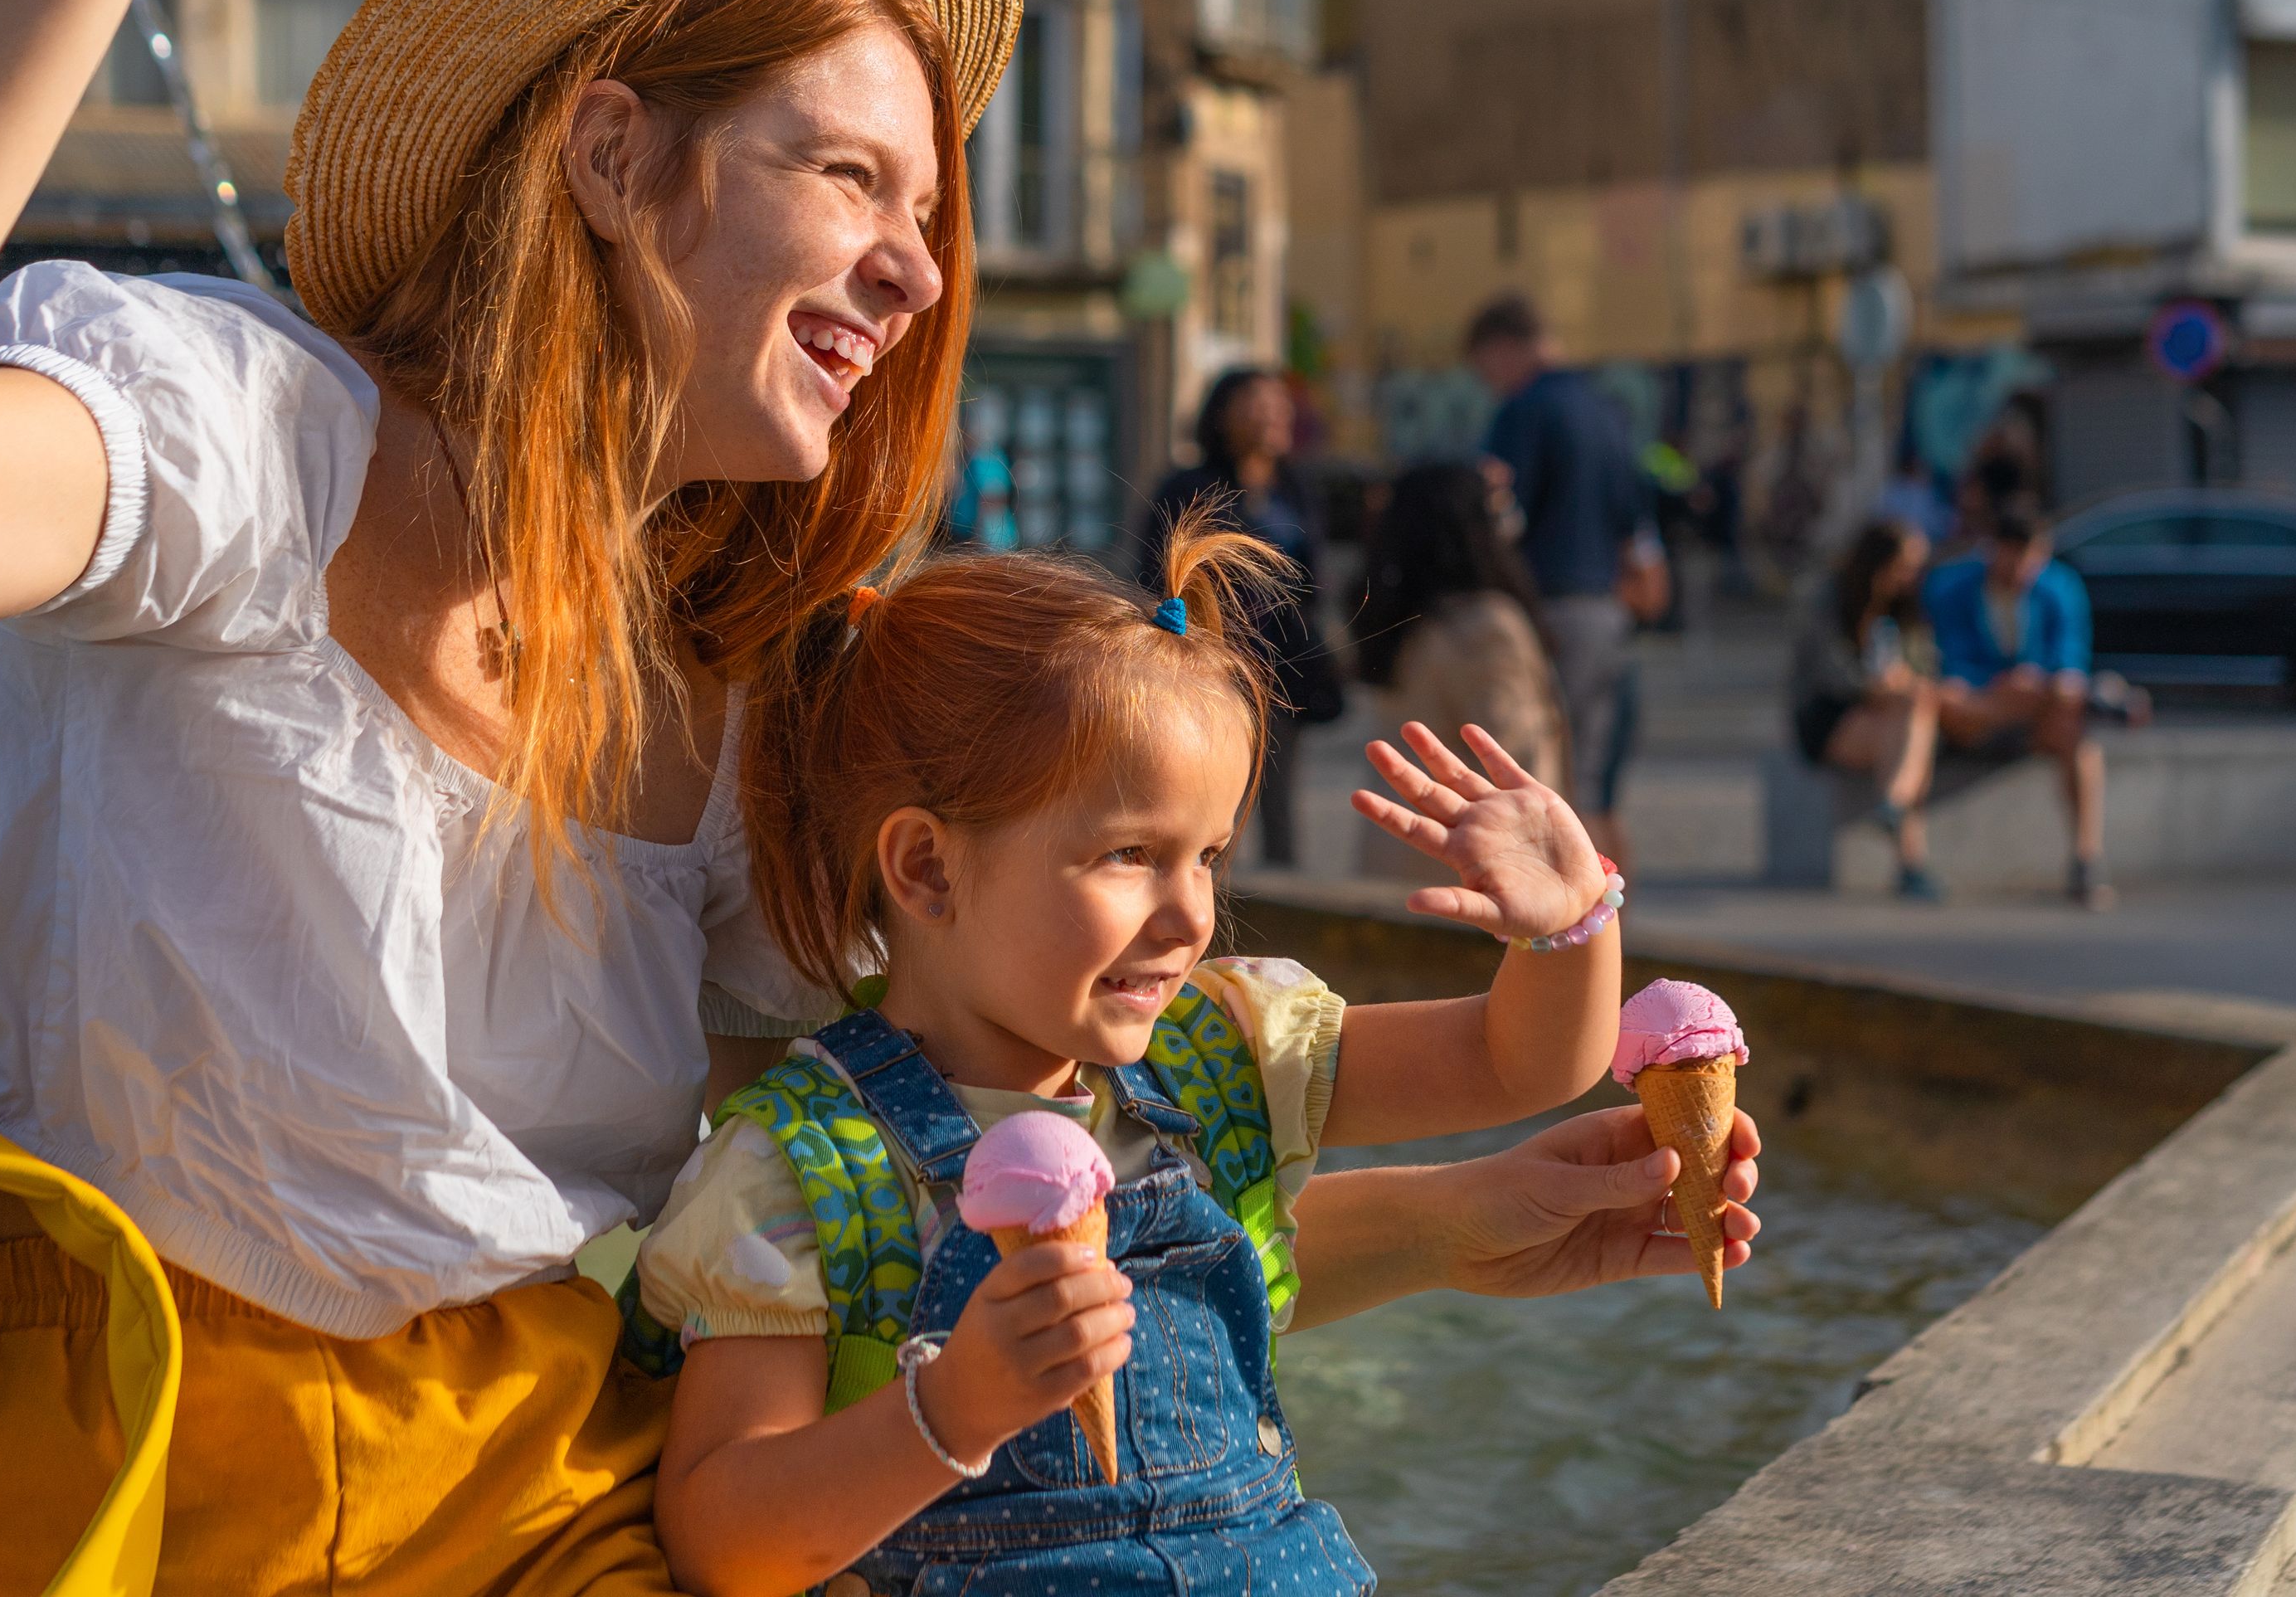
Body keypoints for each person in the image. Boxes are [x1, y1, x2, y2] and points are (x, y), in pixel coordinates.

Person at [0, 0, 1758, 1585]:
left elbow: (933, 1211)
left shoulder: (741, 714)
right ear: (617, 157)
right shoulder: (235, 432)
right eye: (851, 182)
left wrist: (1477, 1220)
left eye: (933, 220)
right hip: (102, 1502)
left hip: (558, 1514)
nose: (917, 275)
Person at [638, 525, 1656, 1597]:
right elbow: (718, 1541)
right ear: (927, 869)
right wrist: (951, 1408)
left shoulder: (1221, 1060)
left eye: (1208, 856)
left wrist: (1570, 928)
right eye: (1130, 855)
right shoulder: (799, 1171)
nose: (1190, 916)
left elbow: (1519, 1066)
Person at [1130, 368, 1340, 868]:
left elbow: (1313, 576)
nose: (1274, 413)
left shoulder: (1295, 487)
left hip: (1282, 671)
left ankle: (1287, 913)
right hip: (1210, 670)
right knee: (1211, 802)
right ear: (1222, 415)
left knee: (1281, 803)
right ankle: (1212, 903)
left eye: (1279, 403)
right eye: (1257, 403)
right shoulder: (1188, 486)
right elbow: (1154, 575)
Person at [1465, 295, 1650, 840]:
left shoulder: (1523, 410)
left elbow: (1499, 513)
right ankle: (1608, 922)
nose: (1488, 382)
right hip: (1607, 610)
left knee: (1546, 780)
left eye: (1484, 368)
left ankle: (1563, 915)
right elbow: (1634, 515)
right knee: (1596, 784)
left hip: (1548, 609)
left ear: (1502, 349)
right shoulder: (1607, 407)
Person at [1353, 459, 1569, 884]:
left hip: (1394, 852)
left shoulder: (1397, 617)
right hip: (1473, 862)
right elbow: (1518, 758)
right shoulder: (1486, 628)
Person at [1921, 500, 2142, 909]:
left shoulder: (2059, 587)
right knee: (1951, 699)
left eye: (2035, 557)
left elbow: (2069, 658)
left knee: (2078, 735)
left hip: (2036, 713)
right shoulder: (1950, 587)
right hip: (1975, 713)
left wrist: (2037, 680)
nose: (2025, 568)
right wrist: (1994, 686)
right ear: (1994, 549)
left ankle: (2086, 860)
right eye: (2017, 556)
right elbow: (1948, 661)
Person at [1789, 520, 1944, 902]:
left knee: (1913, 725)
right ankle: (1910, 859)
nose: (1911, 576)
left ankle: (1895, 809)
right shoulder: (1829, 596)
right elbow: (1830, 673)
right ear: (1880, 562)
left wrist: (1902, 683)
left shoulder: (1906, 606)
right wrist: (1879, 686)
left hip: (1890, 716)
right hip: (1829, 715)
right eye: (1905, 565)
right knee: (1914, 731)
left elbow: (1925, 665)